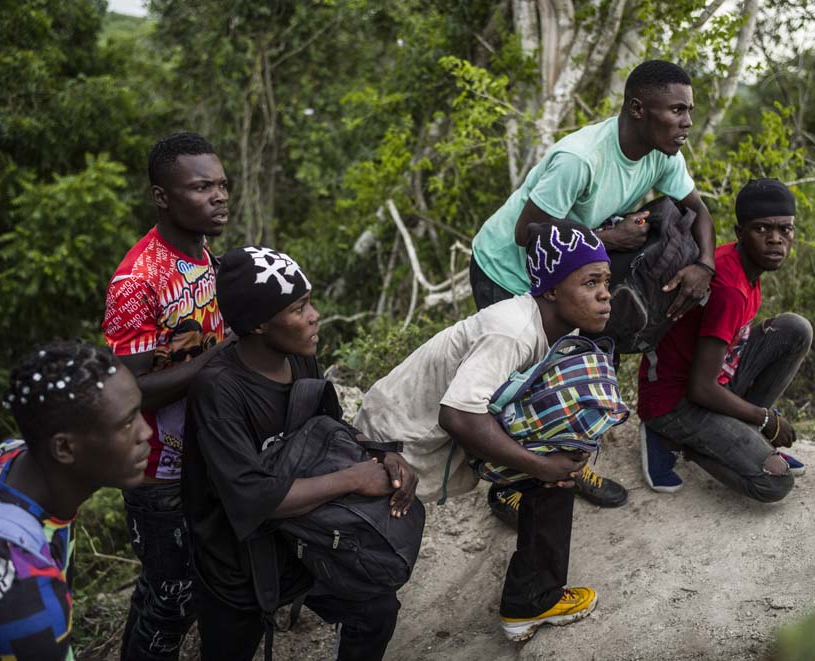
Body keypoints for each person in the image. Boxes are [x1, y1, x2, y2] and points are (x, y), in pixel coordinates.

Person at [469, 59, 717, 510]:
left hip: (566, 271)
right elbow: (527, 232)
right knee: (518, 382)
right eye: (677, 110)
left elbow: (698, 210)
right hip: (507, 269)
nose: (687, 122)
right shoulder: (580, 159)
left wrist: (704, 264)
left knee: (577, 369)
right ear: (639, 109)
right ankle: (508, 486)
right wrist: (609, 237)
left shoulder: (663, 155)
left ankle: (568, 464)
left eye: (689, 110)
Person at [354, 221, 616, 642]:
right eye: (590, 282)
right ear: (550, 289)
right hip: (393, 443)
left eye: (606, 281)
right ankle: (531, 597)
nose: (604, 294)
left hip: (440, 431)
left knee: (559, 461)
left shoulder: (560, 325)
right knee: (549, 470)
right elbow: (457, 415)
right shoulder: (512, 329)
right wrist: (540, 465)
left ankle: (531, 600)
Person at [182, 245, 419, 661]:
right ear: (257, 324)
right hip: (235, 560)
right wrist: (353, 479)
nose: (314, 316)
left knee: (375, 611)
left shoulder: (299, 359)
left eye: (309, 302)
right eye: (299, 308)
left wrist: (381, 455)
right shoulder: (219, 390)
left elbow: (327, 432)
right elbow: (250, 498)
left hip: (303, 539)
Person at [0, 341, 151, 660]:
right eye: (127, 423)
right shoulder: (24, 605)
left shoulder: (11, 463)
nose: (146, 432)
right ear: (64, 449)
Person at [101, 132, 232, 660]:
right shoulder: (137, 281)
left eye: (222, 185)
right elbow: (128, 392)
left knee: (175, 590)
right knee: (173, 601)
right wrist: (220, 357)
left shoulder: (204, 256)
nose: (219, 196)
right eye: (202, 188)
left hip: (208, 456)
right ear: (162, 196)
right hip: (158, 473)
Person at [637, 178, 812, 501]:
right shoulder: (728, 289)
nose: (775, 240)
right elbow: (700, 388)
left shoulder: (745, 266)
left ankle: (741, 435)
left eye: (785, 229)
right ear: (739, 233)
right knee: (775, 482)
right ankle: (671, 436)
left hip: (714, 381)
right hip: (675, 402)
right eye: (762, 229)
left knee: (795, 329)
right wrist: (764, 418)